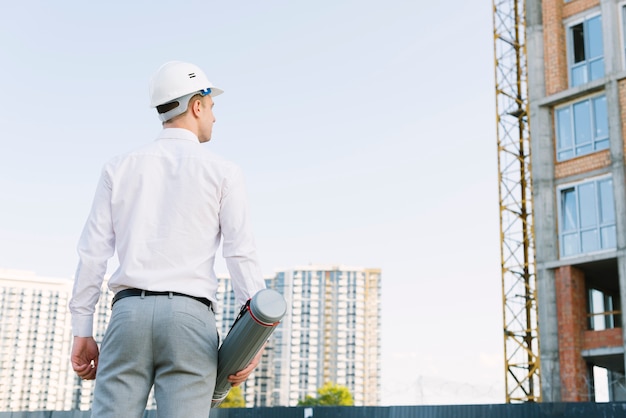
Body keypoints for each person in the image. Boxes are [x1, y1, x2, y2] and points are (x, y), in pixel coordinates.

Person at [69, 61, 267, 418]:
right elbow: (241, 254)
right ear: (196, 105)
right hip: (190, 321)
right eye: (211, 107)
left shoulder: (119, 166)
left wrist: (82, 330)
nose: (214, 118)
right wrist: (254, 337)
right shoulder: (224, 172)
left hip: (128, 315)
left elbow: (93, 253)